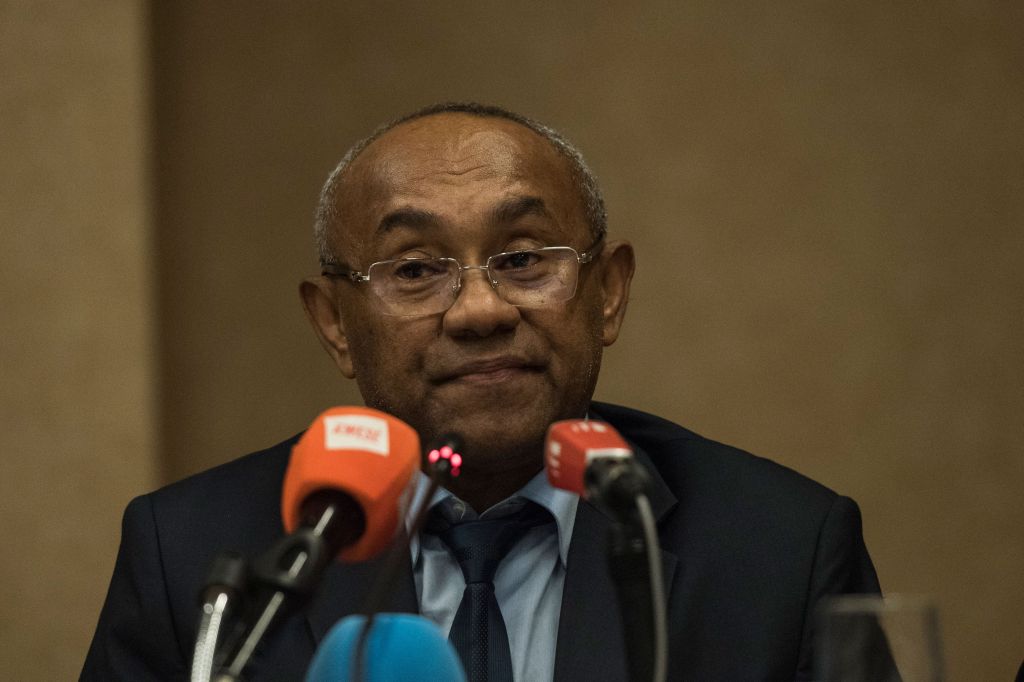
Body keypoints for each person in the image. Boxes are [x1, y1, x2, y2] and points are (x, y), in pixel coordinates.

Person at [82, 103, 881, 681]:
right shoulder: (191, 555)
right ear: (334, 325)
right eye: (416, 270)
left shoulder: (782, 549)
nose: (480, 310)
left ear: (607, 294)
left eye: (525, 257)